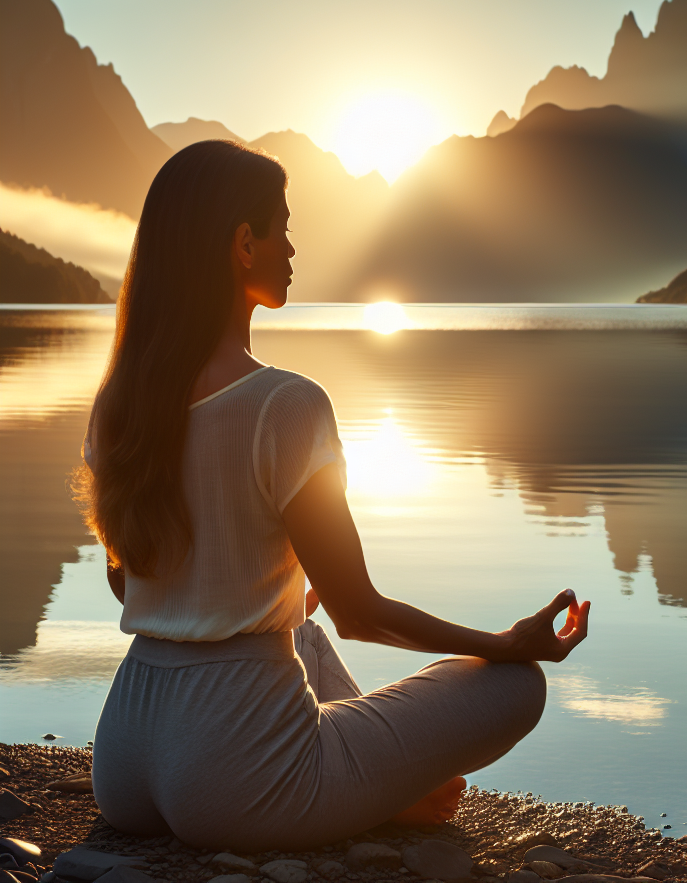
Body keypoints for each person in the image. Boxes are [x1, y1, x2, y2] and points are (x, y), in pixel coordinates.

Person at [75, 140, 590, 852]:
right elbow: (360, 612)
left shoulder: (118, 406)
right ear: (243, 243)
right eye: (282, 227)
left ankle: (385, 786)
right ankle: (387, 792)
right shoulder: (286, 404)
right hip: (239, 782)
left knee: (299, 627)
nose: (293, 246)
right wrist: (502, 644)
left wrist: (256, 598)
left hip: (127, 759)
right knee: (517, 687)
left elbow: (126, 583)